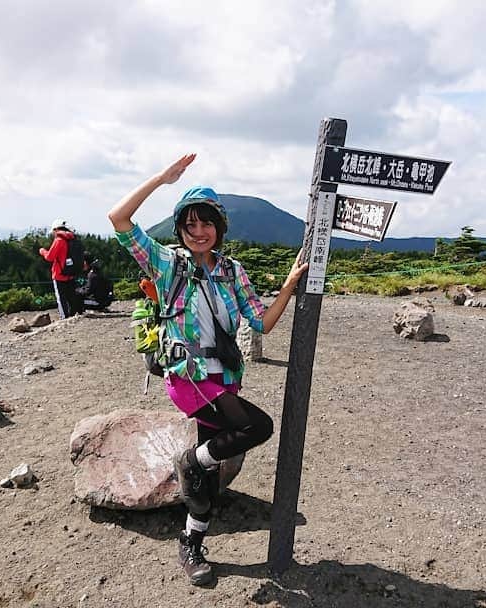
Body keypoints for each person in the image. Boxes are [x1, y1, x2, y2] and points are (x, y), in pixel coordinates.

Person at [108, 153, 308, 586]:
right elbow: (118, 218)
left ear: (219, 228)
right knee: (259, 427)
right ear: (180, 229)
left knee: (206, 476)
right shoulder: (167, 265)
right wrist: (162, 179)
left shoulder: (233, 272)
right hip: (189, 376)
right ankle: (189, 460)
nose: (198, 233)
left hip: (223, 379)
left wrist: (289, 286)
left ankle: (191, 543)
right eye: (190, 225)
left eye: (206, 224)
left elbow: (262, 322)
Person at [38, 219, 85, 318]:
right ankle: (73, 315)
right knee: (71, 296)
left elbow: (49, 257)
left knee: (61, 298)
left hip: (59, 274)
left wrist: (42, 251)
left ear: (56, 229)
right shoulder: (73, 239)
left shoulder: (59, 240)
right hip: (71, 273)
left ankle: (64, 317)